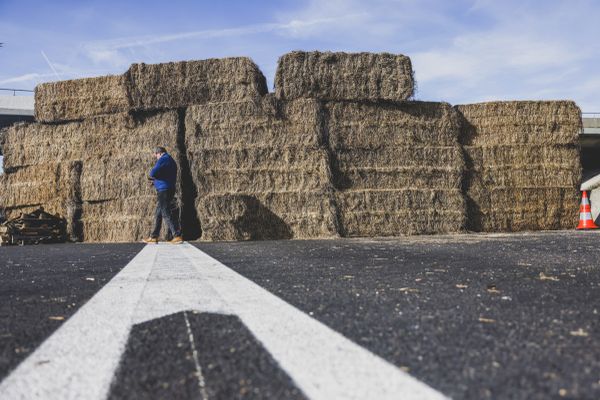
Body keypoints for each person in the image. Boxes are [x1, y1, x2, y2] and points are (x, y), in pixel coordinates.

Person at [143, 147, 183, 244]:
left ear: (159, 153)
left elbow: (153, 172)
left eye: (155, 155)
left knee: (165, 212)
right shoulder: (171, 160)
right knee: (158, 213)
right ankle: (154, 236)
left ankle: (177, 235)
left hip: (164, 190)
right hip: (168, 188)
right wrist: (156, 181)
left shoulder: (163, 159)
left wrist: (152, 177)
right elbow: (166, 175)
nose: (156, 157)